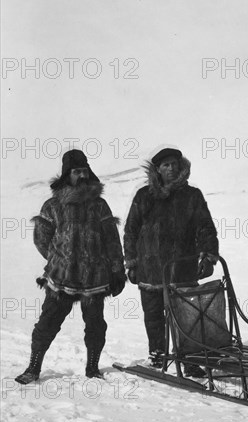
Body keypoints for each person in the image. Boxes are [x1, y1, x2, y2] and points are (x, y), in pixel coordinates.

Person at [15, 150, 127, 385]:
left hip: (94, 278)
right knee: (47, 324)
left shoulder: (99, 205)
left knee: (96, 325)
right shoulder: (53, 205)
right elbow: (41, 239)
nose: (82, 175)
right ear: (67, 175)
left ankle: (92, 368)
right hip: (60, 278)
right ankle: (33, 368)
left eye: (84, 170)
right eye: (76, 171)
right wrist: (59, 259)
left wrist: (117, 271)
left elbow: (112, 241)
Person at [124, 148, 219, 376]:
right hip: (150, 269)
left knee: (187, 317)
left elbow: (205, 227)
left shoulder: (192, 196)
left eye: (175, 164)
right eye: (166, 165)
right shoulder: (144, 196)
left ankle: (190, 360)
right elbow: (131, 230)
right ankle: (157, 356)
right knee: (154, 316)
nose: (171, 168)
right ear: (157, 169)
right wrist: (132, 261)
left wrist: (208, 256)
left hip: (182, 268)